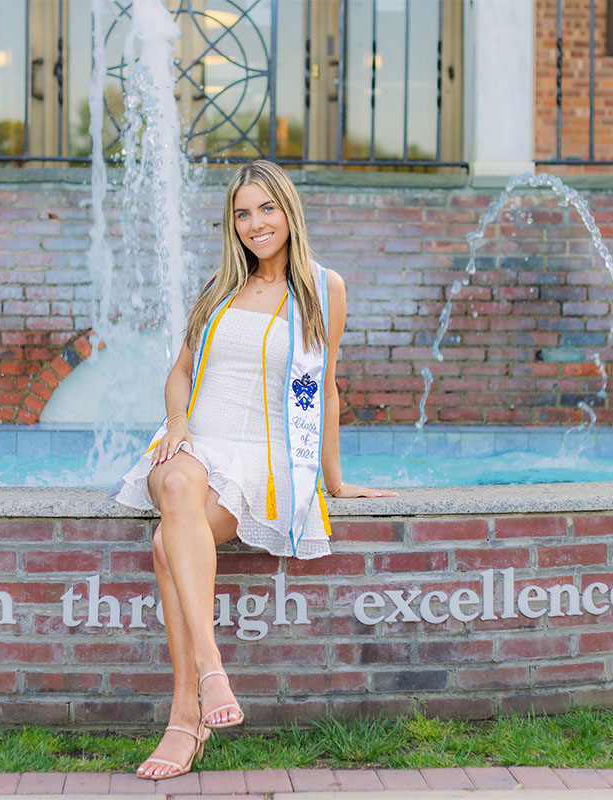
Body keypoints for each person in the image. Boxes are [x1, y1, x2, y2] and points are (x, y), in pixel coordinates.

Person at [111, 159, 396, 781]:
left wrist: (335, 480)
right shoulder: (218, 286)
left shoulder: (322, 289)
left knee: (168, 542)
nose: (255, 224)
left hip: (257, 459)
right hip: (189, 446)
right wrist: (179, 425)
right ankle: (213, 673)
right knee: (181, 480)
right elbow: (180, 373)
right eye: (243, 213)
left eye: (266, 209)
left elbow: (323, 387)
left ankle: (184, 720)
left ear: (288, 211)